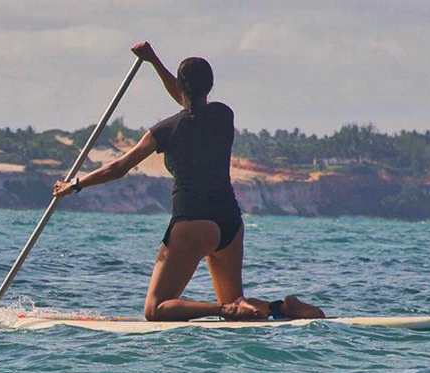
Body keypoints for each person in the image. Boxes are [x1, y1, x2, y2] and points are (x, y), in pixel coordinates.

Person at [53, 41, 326, 322]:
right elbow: (189, 100)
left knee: (156, 309)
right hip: (230, 222)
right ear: (210, 86)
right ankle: (283, 308)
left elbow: (119, 167)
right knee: (237, 303)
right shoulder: (223, 114)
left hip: (193, 223)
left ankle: (222, 310)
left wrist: (75, 184)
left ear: (181, 88)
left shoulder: (164, 130)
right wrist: (154, 61)